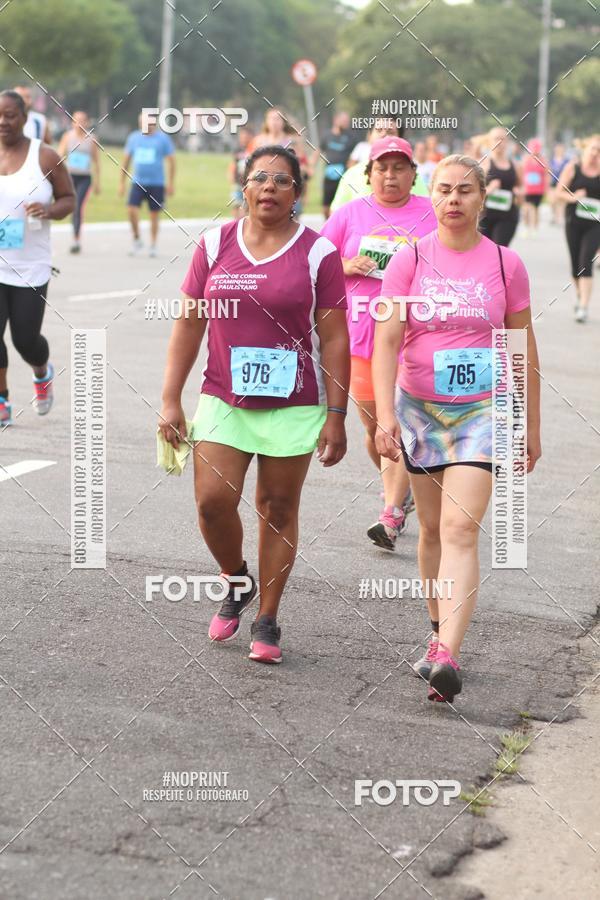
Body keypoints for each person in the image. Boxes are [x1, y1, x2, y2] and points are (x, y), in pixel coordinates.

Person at [158, 145, 349, 664]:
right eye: (259, 177)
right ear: (243, 187)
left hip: (295, 402)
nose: (269, 187)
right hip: (224, 396)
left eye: (281, 180)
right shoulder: (216, 242)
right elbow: (190, 322)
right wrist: (171, 399)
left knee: (278, 508)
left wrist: (337, 414)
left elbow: (334, 339)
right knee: (211, 501)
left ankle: (268, 617)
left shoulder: (319, 254)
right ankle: (235, 577)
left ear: (296, 193)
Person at [372, 154, 541, 702]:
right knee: (429, 532)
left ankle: (448, 654)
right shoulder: (410, 261)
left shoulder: (505, 264)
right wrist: (385, 413)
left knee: (460, 529)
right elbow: (387, 341)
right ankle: (436, 629)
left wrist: (528, 423)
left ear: (483, 197)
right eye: (443, 190)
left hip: (482, 412)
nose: (452, 200)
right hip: (421, 409)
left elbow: (521, 346)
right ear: (433, 194)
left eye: (464, 191)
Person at [322, 136, 435, 549]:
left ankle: (389, 513)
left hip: (414, 337)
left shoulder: (430, 215)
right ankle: (400, 493)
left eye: (399, 168)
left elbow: (453, 260)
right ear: (369, 174)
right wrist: (345, 264)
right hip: (360, 336)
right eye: (382, 168)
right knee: (375, 430)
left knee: (404, 425)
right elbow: (312, 259)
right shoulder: (350, 214)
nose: (390, 175)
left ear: (413, 175)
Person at [0, 90, 75, 426]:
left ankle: (42, 372)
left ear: (24, 118)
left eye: (10, 115)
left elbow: (68, 199)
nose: (3, 122)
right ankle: (2, 399)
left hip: (30, 265)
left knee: (25, 339)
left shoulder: (43, 157)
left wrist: (48, 210)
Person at [330, 121, 429, 212]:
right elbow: (336, 214)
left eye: (390, 132)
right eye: (379, 130)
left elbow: (424, 210)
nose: (384, 134)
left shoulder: (413, 176)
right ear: (369, 136)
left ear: (400, 138)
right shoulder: (351, 175)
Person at [555, 134, 600, 323]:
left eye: (599, 151)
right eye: (593, 149)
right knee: (575, 266)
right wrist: (573, 197)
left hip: (595, 224)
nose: (595, 154)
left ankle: (583, 306)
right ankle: (580, 295)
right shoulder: (572, 168)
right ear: (585, 149)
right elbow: (558, 193)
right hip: (573, 221)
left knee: (585, 262)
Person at [119, 115, 175, 257]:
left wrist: (171, 183)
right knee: (131, 209)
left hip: (157, 183)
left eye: (150, 123)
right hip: (137, 181)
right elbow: (126, 161)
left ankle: (153, 244)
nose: (147, 126)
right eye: (143, 123)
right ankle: (137, 238)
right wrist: (121, 182)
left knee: (154, 214)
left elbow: (171, 162)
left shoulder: (162, 139)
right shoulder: (134, 138)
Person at [57, 111, 100, 253]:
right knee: (72, 208)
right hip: (70, 177)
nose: (79, 124)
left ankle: (76, 240)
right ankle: (75, 237)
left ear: (87, 123)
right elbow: (59, 156)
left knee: (77, 206)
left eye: (82, 121)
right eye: (76, 121)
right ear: (72, 122)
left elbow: (96, 161)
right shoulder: (67, 137)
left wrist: (98, 183)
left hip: (85, 178)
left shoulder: (92, 138)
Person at [480, 127, 522, 247]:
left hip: (508, 216)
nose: (499, 142)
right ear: (489, 142)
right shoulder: (483, 165)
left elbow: (522, 187)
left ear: (507, 142)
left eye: (502, 139)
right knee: (484, 253)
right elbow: (473, 192)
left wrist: (519, 191)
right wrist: (489, 190)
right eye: (496, 139)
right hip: (485, 217)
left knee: (499, 250)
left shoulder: (516, 165)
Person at [320, 111, 354, 219]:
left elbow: (354, 157)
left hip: (343, 175)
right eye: (344, 121)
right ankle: (327, 223)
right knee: (326, 205)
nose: (346, 123)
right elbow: (318, 151)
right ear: (336, 120)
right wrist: (311, 166)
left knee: (341, 203)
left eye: (347, 122)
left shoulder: (351, 137)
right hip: (329, 174)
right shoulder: (327, 135)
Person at [521, 138, 548, 236]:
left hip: (538, 189)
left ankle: (535, 228)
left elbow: (546, 175)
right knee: (526, 209)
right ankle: (526, 227)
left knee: (536, 209)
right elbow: (521, 173)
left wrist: (546, 188)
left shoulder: (543, 160)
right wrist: (521, 187)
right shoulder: (525, 159)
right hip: (527, 189)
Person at [228, 126, 253, 219]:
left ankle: (244, 225)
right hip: (238, 183)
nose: (244, 138)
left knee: (246, 209)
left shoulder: (254, 150)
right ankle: (236, 224)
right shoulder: (237, 149)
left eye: (246, 136)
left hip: (249, 184)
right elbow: (234, 163)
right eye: (242, 136)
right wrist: (231, 176)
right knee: (235, 205)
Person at [548, 142, 570, 225]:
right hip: (553, 183)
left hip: (562, 183)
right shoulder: (552, 160)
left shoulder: (566, 161)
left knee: (561, 202)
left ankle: (560, 218)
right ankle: (554, 215)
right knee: (552, 201)